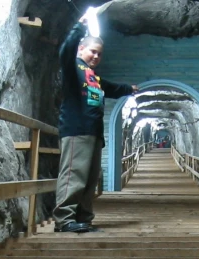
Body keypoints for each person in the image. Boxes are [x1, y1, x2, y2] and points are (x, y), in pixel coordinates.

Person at [53, 15, 138, 233]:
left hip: (93, 132)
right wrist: (78, 27)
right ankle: (65, 220)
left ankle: (83, 217)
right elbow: (64, 52)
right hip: (76, 129)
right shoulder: (74, 68)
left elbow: (109, 88)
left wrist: (129, 89)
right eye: (92, 51)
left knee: (90, 178)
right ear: (81, 48)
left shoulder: (93, 76)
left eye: (99, 53)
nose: (96, 56)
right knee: (73, 175)